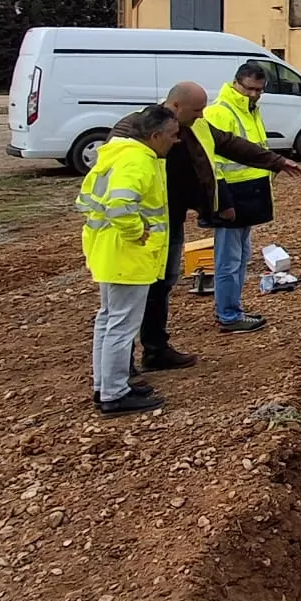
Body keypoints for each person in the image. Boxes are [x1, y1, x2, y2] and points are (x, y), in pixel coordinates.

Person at [138, 80, 296, 370]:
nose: (202, 115)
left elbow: (229, 145)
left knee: (164, 284)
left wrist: (275, 161)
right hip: (147, 225)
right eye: (197, 110)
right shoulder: (138, 128)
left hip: (171, 217)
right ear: (176, 106)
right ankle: (123, 370)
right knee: (142, 292)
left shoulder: (195, 125)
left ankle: (155, 349)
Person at [78, 105, 180, 417]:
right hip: (128, 255)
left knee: (108, 320)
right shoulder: (137, 161)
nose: (176, 141)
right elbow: (120, 205)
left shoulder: (118, 154)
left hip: (109, 251)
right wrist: (137, 232)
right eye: (173, 135)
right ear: (155, 135)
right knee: (121, 326)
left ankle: (106, 384)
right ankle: (115, 394)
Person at [202, 61, 301, 333]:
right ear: (236, 83)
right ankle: (228, 315)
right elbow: (211, 164)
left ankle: (233, 309)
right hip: (232, 196)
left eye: (259, 90)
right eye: (249, 89)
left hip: (249, 193)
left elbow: (256, 150)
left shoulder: (250, 110)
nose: (255, 94)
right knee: (229, 260)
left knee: (241, 257)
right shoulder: (220, 112)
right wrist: (223, 201)